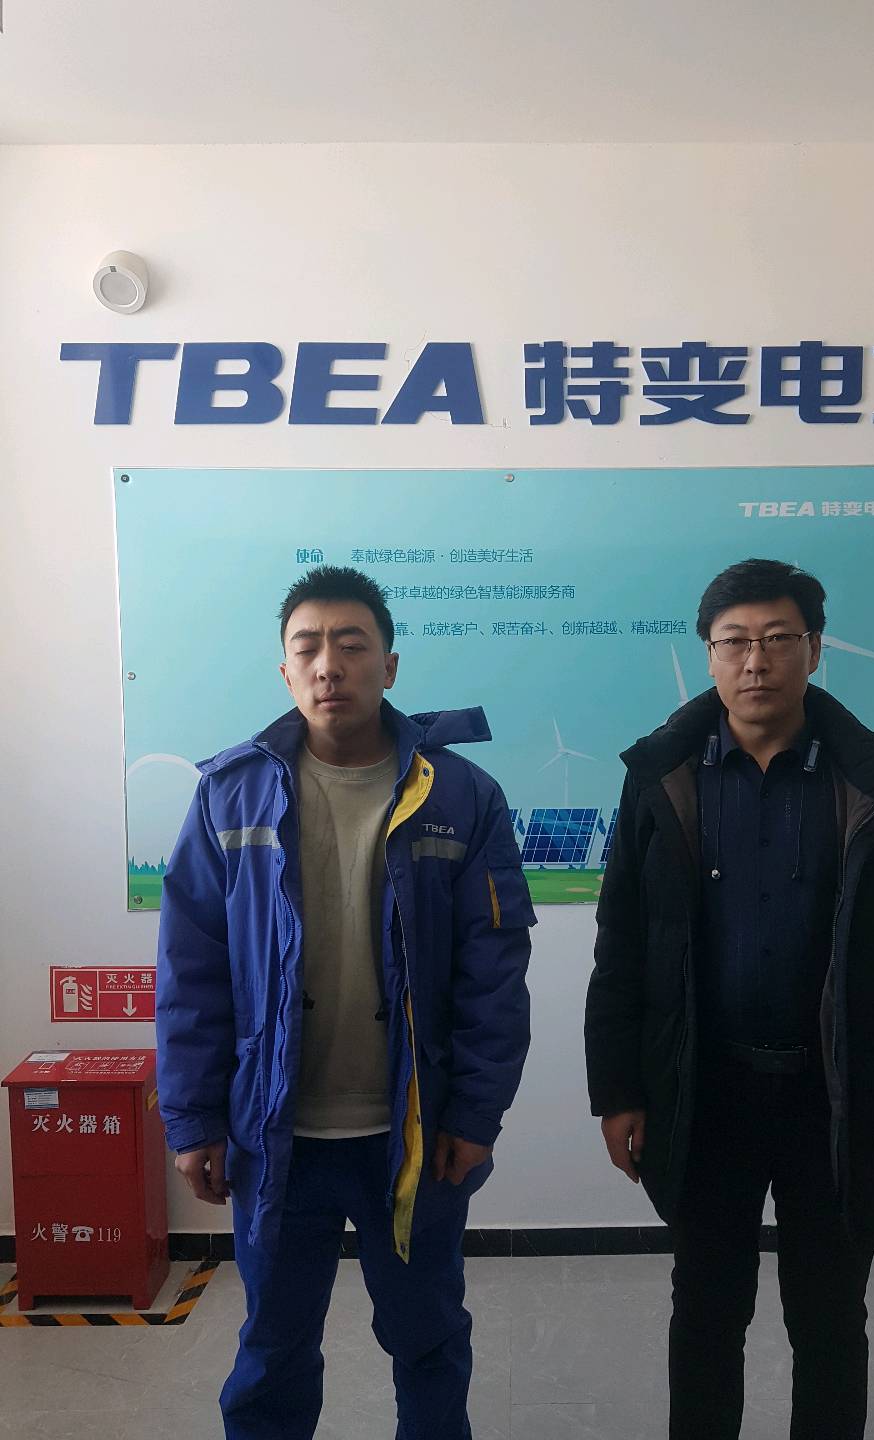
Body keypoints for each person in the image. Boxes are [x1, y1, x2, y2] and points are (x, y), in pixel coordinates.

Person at [584, 557, 874, 1440]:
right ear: (709, 655)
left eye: (778, 639)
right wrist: (619, 1091)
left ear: (815, 650)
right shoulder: (660, 780)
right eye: (735, 642)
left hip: (837, 1100)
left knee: (829, 1319)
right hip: (703, 1092)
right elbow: (622, 946)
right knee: (705, 1314)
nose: (756, 661)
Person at [156, 564, 534, 1440]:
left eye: (352, 645)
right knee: (273, 1349)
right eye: (309, 648)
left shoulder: (460, 796)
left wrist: (476, 1113)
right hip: (274, 1133)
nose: (330, 664)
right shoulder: (229, 794)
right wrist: (192, 1119)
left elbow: (492, 975)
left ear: (389, 666)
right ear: (285, 672)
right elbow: (192, 971)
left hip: (414, 1132)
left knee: (428, 1339)